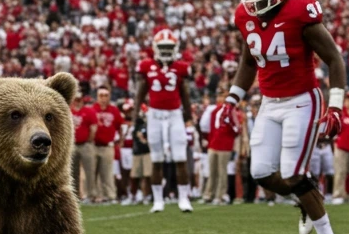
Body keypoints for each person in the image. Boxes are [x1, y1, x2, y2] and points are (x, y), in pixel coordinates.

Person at [224, 0, 349, 234]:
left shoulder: (299, 12)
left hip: (302, 101)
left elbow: (334, 59)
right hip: (269, 101)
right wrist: (232, 99)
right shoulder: (245, 16)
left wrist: (335, 107)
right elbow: (248, 62)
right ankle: (305, 201)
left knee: (294, 172)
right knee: (261, 172)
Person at [135, 29, 194, 213]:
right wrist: (135, 114)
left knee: (180, 157)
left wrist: (188, 116)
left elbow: (185, 93)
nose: (167, 51)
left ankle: (184, 198)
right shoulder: (147, 66)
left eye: (169, 47)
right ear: (155, 47)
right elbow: (141, 92)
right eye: (163, 47)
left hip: (175, 114)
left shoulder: (181, 67)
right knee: (157, 158)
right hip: (155, 115)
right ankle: (158, 200)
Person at [202, 89, 246, 204]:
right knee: (212, 171)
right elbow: (207, 127)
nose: (220, 99)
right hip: (213, 144)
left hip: (225, 146)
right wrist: (209, 140)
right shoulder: (214, 111)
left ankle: (220, 195)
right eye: (219, 96)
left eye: (222, 96)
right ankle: (208, 194)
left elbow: (237, 129)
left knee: (222, 172)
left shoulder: (232, 112)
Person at [90, 88, 121, 204]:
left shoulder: (114, 110)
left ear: (109, 96)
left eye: (106, 95)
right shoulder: (92, 109)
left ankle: (111, 195)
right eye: (101, 95)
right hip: (93, 145)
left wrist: (120, 140)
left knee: (108, 172)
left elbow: (120, 126)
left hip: (108, 146)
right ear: (97, 97)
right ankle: (96, 196)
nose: (103, 98)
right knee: (93, 172)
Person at [70, 93, 96, 200]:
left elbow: (93, 127)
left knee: (89, 170)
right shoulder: (68, 111)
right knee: (72, 171)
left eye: (79, 99)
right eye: (75, 99)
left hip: (85, 144)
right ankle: (74, 196)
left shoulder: (89, 111)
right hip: (72, 145)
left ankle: (91, 194)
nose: (77, 101)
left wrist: (89, 139)